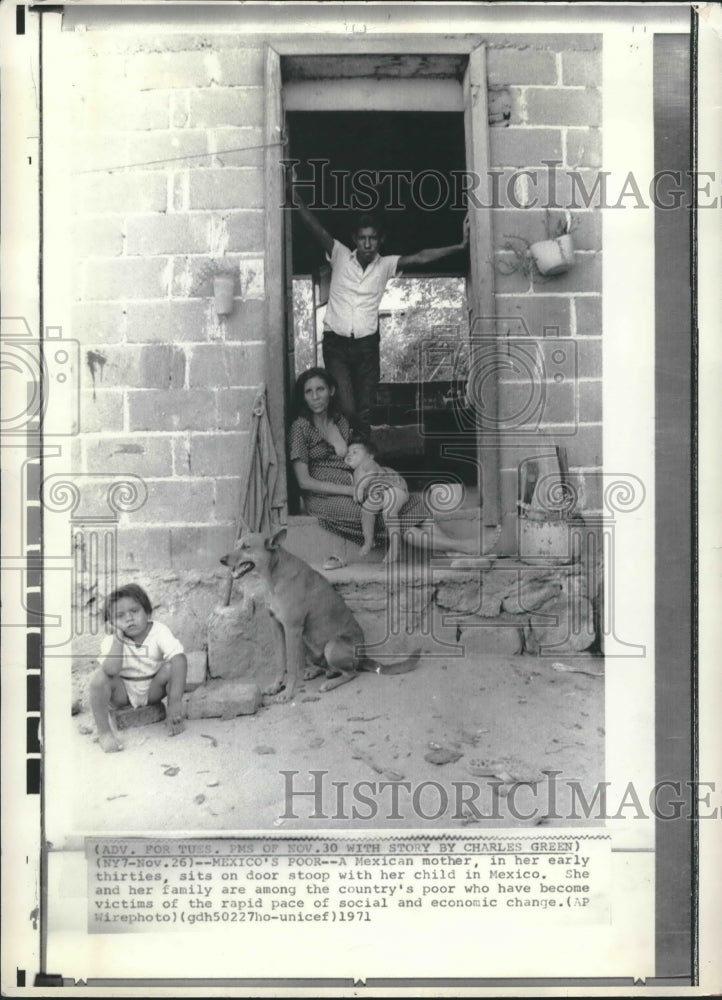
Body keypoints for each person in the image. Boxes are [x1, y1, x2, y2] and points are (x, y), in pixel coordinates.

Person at [286, 162, 470, 434]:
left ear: (380, 240)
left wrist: (460, 246)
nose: (367, 244)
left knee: (365, 410)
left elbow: (421, 257)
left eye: (372, 238)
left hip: (367, 346)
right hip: (337, 344)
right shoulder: (339, 254)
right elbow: (314, 226)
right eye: (362, 238)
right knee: (347, 408)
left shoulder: (385, 265)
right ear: (355, 239)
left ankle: (362, 456)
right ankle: (350, 452)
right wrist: (293, 192)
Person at [288, 367, 490, 564]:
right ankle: (463, 547)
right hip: (324, 498)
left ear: (331, 390)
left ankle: (455, 556)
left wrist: (382, 476)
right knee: (386, 515)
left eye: (320, 389)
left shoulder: (340, 421)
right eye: (309, 392)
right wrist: (351, 490)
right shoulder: (300, 428)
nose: (315, 396)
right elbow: (304, 482)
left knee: (410, 502)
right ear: (303, 397)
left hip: (358, 486)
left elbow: (358, 459)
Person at [89, 584, 187, 753]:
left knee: (173, 665)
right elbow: (111, 671)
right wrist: (118, 639)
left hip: (153, 690)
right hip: (123, 694)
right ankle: (104, 733)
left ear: (147, 612)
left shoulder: (159, 631)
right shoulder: (111, 640)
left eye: (134, 611)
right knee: (98, 678)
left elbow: (179, 659)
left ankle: (173, 715)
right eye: (120, 615)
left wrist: (175, 703)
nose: (129, 618)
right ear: (111, 623)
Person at [343, 436, 411, 564]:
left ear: (370, 456)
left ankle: (395, 546)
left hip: (394, 487)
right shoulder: (355, 472)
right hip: (378, 494)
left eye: (355, 452)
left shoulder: (368, 464)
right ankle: (369, 540)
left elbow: (372, 473)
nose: (350, 454)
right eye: (348, 453)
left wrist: (361, 486)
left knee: (389, 511)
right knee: (366, 511)